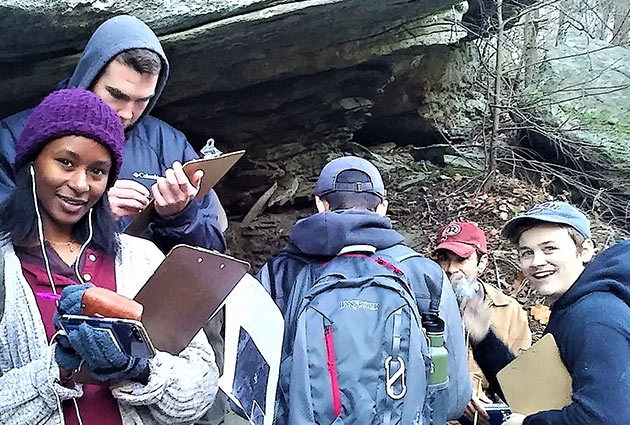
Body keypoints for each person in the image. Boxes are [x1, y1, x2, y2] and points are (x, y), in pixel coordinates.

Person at [0, 88, 219, 424]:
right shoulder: (6, 270)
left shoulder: (142, 259)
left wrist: (142, 368)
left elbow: (201, 387)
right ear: (31, 162)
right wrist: (56, 370)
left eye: (97, 171)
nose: (81, 184)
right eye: (66, 162)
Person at [257, 156, 471, 424]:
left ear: (320, 204)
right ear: (382, 207)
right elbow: (453, 400)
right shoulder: (425, 275)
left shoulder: (280, 273)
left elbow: (254, 387)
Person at [0, 15, 226, 254]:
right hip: (47, 287)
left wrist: (179, 216)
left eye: (142, 101)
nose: (127, 114)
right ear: (89, 76)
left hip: (145, 287)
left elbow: (213, 253)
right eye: (117, 95)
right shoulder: (15, 136)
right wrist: (91, 213)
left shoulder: (169, 145)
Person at [464, 201, 630, 425]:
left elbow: (605, 418)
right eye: (526, 253)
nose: (537, 262)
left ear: (585, 251)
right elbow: (535, 396)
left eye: (549, 248)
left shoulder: (594, 317)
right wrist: (483, 337)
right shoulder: (571, 308)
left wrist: (526, 424)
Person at [434, 221, 532, 424]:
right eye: (444, 259)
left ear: (482, 262)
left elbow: (521, 383)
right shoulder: (421, 305)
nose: (451, 268)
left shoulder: (509, 311)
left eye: (462, 259)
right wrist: (457, 392)